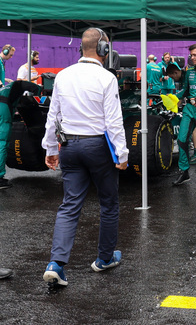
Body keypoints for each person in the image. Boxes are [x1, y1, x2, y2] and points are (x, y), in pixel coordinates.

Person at [41, 28, 128, 287]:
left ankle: (56, 263)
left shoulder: (63, 76)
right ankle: (104, 259)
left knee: (69, 205)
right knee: (108, 203)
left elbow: (52, 115)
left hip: (70, 147)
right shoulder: (107, 78)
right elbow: (113, 121)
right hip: (98, 147)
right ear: (103, 50)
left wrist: (51, 149)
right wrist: (122, 153)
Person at [168, 44, 196, 186]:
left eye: (194, 55)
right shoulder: (189, 72)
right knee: (181, 139)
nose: (192, 58)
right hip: (188, 110)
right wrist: (172, 97)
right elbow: (185, 90)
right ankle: (184, 171)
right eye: (191, 55)